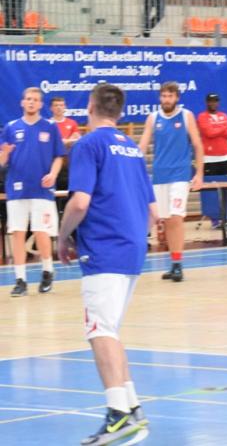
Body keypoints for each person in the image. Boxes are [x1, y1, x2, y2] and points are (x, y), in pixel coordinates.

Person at [57, 83, 157, 445]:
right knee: (110, 329)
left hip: (105, 248)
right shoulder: (132, 149)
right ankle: (132, 406)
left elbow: (80, 202)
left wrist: (62, 236)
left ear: (91, 106)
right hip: (132, 249)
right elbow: (153, 212)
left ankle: (117, 414)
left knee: (99, 330)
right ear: (119, 111)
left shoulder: (88, 145)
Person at [1, 87, 64, 297]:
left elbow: (59, 156)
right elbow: (2, 161)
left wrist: (53, 174)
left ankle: (47, 271)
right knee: (17, 233)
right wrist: (4, 154)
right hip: (17, 189)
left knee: (41, 232)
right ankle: (20, 280)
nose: (31, 102)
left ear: (40, 104)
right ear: (22, 102)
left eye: (35, 100)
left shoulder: (50, 127)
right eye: (28, 99)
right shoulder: (11, 127)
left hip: (42, 189)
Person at [138, 82, 203, 282]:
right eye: (164, 96)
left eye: (170, 96)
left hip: (180, 175)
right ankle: (174, 263)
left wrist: (199, 174)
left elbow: (198, 145)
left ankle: (178, 264)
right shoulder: (153, 118)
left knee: (176, 217)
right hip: (160, 176)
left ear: (177, 98)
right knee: (166, 220)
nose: (166, 100)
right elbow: (142, 146)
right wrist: (133, 166)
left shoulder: (186, 116)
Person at [50, 95, 81, 207]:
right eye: (56, 105)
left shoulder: (72, 123)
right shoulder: (48, 124)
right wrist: (67, 141)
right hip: (52, 162)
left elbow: (76, 140)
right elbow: (51, 144)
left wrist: (63, 141)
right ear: (51, 108)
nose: (59, 107)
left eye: (61, 105)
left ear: (65, 107)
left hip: (68, 162)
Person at [197, 93, 227, 177]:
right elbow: (210, 133)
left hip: (225, 158)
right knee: (210, 184)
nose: (213, 103)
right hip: (209, 159)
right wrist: (224, 126)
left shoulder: (224, 115)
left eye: (215, 101)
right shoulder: (202, 116)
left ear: (218, 103)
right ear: (207, 102)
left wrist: (216, 129)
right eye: (211, 101)